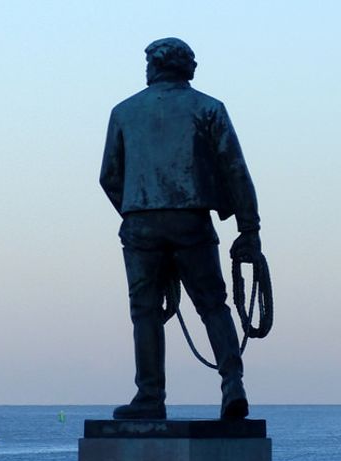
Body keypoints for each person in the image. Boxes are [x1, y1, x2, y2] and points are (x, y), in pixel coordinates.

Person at [100, 37, 261, 421]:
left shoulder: (124, 112)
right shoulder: (208, 108)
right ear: (187, 68)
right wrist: (249, 228)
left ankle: (150, 396)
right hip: (190, 220)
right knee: (212, 305)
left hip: (141, 223)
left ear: (153, 68)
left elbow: (109, 176)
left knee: (145, 312)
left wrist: (136, 209)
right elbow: (235, 171)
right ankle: (232, 384)